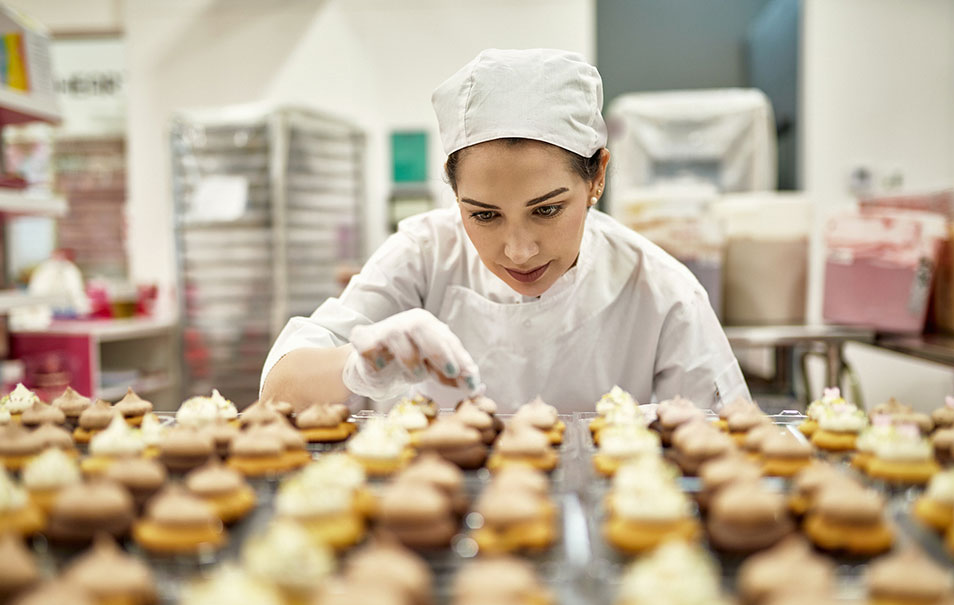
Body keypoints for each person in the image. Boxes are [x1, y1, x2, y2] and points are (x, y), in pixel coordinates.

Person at [260, 48, 749, 412]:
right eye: (484, 215)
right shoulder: (425, 255)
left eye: (547, 211)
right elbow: (278, 392)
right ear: (455, 195)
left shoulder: (665, 295)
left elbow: (723, 444)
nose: (518, 251)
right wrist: (354, 366)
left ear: (597, 175)